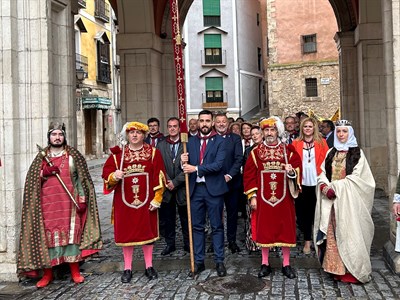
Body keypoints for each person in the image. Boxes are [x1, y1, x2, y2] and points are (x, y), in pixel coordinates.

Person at [17, 122, 102, 288]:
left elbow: (80, 180)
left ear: (64, 137)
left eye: (60, 135)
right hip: (48, 206)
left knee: (71, 238)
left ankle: (75, 272)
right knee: (49, 240)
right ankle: (47, 274)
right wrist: (43, 173)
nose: (57, 138)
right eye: (54, 135)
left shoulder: (73, 156)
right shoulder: (41, 159)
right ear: (49, 137)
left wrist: (82, 198)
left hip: (69, 205)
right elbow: (31, 182)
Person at [102, 121, 166, 283]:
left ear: (144, 135)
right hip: (124, 203)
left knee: (148, 233)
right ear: (127, 135)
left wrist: (157, 199)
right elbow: (106, 175)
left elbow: (160, 176)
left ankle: (149, 266)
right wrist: (113, 176)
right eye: (132, 132)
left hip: (146, 202)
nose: (135, 135)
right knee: (126, 234)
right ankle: (127, 268)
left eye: (138, 132)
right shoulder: (118, 156)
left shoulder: (153, 153)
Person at [313, 120, 375, 284]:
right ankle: (336, 269)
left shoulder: (357, 154)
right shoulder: (331, 152)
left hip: (349, 204)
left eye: (344, 132)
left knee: (349, 233)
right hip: (331, 203)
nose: (341, 135)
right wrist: (324, 186)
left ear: (350, 133)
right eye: (338, 132)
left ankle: (353, 270)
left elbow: (361, 179)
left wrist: (337, 188)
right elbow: (322, 173)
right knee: (333, 234)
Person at [243, 116, 301, 279]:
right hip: (263, 198)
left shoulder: (288, 151)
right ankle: (265, 263)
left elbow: (298, 169)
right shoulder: (255, 153)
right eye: (266, 130)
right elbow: (249, 176)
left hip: (284, 198)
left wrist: (291, 172)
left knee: (285, 229)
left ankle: (286, 264)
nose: (269, 133)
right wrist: (252, 196)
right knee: (265, 230)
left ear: (278, 131)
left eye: (272, 130)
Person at [181, 110, 228, 277]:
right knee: (197, 227)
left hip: (214, 190)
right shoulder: (191, 142)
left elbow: (218, 165)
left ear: (213, 122)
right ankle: (199, 261)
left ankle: (219, 261)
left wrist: (196, 168)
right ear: (198, 123)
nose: (204, 124)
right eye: (202, 121)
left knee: (217, 226)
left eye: (208, 121)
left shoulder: (220, 142)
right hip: (195, 190)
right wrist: (183, 163)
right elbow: (187, 166)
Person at [292, 117, 329, 255]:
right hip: (302, 183)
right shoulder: (296, 143)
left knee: (316, 211)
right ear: (302, 128)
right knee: (302, 213)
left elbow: (327, 161)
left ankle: (315, 239)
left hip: (317, 182)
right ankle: (307, 239)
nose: (308, 129)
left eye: (310, 126)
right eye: (305, 126)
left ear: (314, 128)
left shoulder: (322, 143)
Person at [156, 117, 189, 255]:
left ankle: (188, 243)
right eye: (170, 126)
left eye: (175, 126)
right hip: (166, 188)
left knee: (185, 218)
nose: (172, 128)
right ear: (167, 128)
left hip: (182, 187)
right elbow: (158, 165)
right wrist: (167, 181)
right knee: (168, 219)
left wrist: (175, 182)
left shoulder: (186, 144)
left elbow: (189, 166)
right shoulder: (161, 144)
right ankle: (170, 244)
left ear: (179, 127)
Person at [214, 112, 243, 253]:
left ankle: (232, 240)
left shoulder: (235, 139)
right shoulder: (211, 139)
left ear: (227, 123)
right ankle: (216, 241)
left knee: (232, 214)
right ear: (214, 123)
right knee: (216, 214)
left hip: (232, 182)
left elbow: (239, 159)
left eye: (223, 121)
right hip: (215, 183)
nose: (221, 124)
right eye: (218, 121)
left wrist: (230, 175)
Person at [243, 125, 263, 253]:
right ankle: (253, 242)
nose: (255, 136)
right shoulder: (248, 151)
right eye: (253, 134)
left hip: (266, 187)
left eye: (257, 133)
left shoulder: (268, 149)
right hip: (252, 186)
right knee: (252, 216)